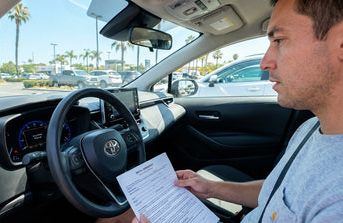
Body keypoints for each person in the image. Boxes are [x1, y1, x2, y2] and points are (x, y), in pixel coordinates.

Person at [129, 0, 343, 222]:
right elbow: (275, 192)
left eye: (279, 40)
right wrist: (210, 188)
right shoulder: (311, 128)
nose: (264, 63)